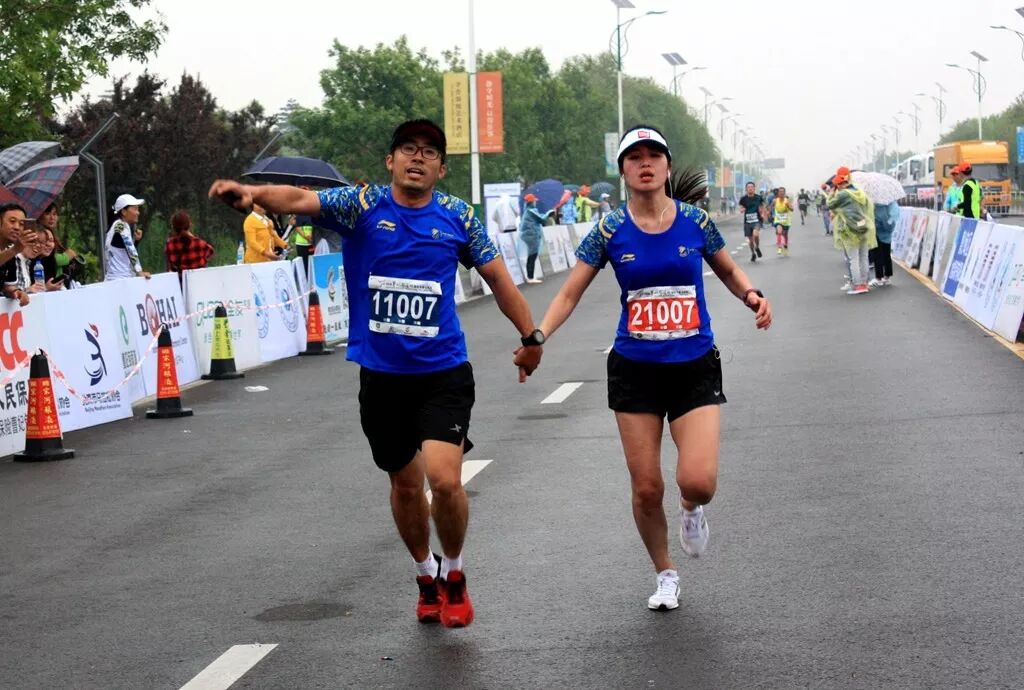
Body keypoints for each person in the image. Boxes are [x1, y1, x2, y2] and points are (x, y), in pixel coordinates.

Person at [209, 118, 543, 629]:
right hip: (382, 377)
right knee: (407, 487)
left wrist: (530, 338)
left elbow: (498, 278)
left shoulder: (458, 217)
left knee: (444, 480)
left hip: (443, 372)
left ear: (441, 168)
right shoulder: (361, 205)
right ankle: (425, 574)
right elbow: (299, 200)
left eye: (429, 151)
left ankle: (455, 572)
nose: (417, 157)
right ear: (391, 161)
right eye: (408, 148)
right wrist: (253, 194)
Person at [517, 124, 772, 611]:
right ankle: (665, 573)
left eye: (654, 155)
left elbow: (727, 269)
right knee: (647, 486)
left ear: (667, 166)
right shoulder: (609, 229)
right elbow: (570, 292)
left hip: (693, 363)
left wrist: (752, 295)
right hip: (635, 369)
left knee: (698, 481)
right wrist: (538, 336)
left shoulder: (695, 221)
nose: (645, 163)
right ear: (624, 170)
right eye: (635, 157)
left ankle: (691, 508)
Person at [827, 168, 876, 295]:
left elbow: (830, 205)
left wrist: (831, 193)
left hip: (850, 229)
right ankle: (864, 283)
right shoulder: (860, 192)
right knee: (864, 257)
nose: (837, 186)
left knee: (853, 258)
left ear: (840, 183)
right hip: (863, 226)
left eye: (838, 184)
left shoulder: (843, 194)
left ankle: (858, 285)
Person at [106, 194, 151, 281]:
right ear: (124, 211)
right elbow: (131, 251)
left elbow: (124, 251)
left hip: (114, 279)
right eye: (135, 209)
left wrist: (136, 241)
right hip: (121, 280)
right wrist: (140, 272)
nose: (138, 212)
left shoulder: (115, 225)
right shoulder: (121, 226)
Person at [0, 203, 38, 305]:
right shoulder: (13, 250)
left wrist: (17, 292)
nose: (17, 227)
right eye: (12, 221)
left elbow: (8, 286)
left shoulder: (11, 252)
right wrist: (15, 250)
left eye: (21, 224)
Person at [165, 210, 215, 277]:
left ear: (173, 227)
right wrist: (191, 236)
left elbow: (169, 266)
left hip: (179, 282)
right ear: (189, 225)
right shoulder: (200, 244)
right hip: (198, 281)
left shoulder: (169, 244)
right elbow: (211, 252)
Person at [519, 193, 552, 284]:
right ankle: (530, 277)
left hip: (530, 235)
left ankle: (530, 276)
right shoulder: (531, 211)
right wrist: (549, 213)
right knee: (532, 255)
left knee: (532, 255)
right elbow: (542, 219)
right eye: (534, 201)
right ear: (531, 202)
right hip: (531, 235)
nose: (535, 202)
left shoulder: (528, 211)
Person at [869, 200, 898, 287]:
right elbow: (894, 216)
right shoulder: (891, 202)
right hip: (887, 233)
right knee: (887, 254)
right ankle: (887, 277)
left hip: (877, 232)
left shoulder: (876, 204)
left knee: (877, 255)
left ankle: (879, 278)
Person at [737, 182, 764, 262]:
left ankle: (757, 247)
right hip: (747, 222)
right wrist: (742, 209)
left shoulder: (758, 197)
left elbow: (762, 206)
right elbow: (741, 208)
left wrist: (762, 213)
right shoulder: (743, 199)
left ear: (754, 188)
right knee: (751, 240)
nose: (750, 188)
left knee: (756, 234)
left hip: (757, 220)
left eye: (752, 187)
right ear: (746, 189)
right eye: (748, 187)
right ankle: (753, 253)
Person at [772, 187, 794, 256]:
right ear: (778, 193)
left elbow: (792, 209)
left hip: (786, 221)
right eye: (780, 191)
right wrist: (769, 212)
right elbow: (771, 207)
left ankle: (786, 246)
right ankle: (779, 247)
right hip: (778, 220)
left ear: (784, 193)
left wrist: (788, 206)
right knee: (779, 232)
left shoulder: (787, 201)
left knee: (785, 234)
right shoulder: (775, 200)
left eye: (782, 191)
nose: (781, 193)